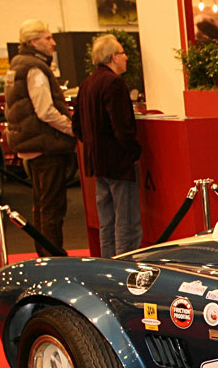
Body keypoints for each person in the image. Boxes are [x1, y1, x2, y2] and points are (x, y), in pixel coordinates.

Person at [3, 19, 76, 257]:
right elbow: (45, 110)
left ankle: (43, 254)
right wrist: (73, 128)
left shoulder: (17, 64)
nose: (53, 43)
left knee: (41, 206)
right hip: (46, 146)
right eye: (48, 38)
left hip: (31, 145)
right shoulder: (35, 69)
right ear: (34, 41)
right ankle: (52, 256)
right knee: (51, 208)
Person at [72, 34, 142, 257]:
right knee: (126, 223)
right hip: (118, 163)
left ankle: (108, 264)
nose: (126, 57)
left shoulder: (87, 83)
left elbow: (77, 126)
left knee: (107, 223)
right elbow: (121, 126)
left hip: (97, 163)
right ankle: (124, 266)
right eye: (122, 53)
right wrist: (134, 152)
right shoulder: (114, 83)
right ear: (113, 57)